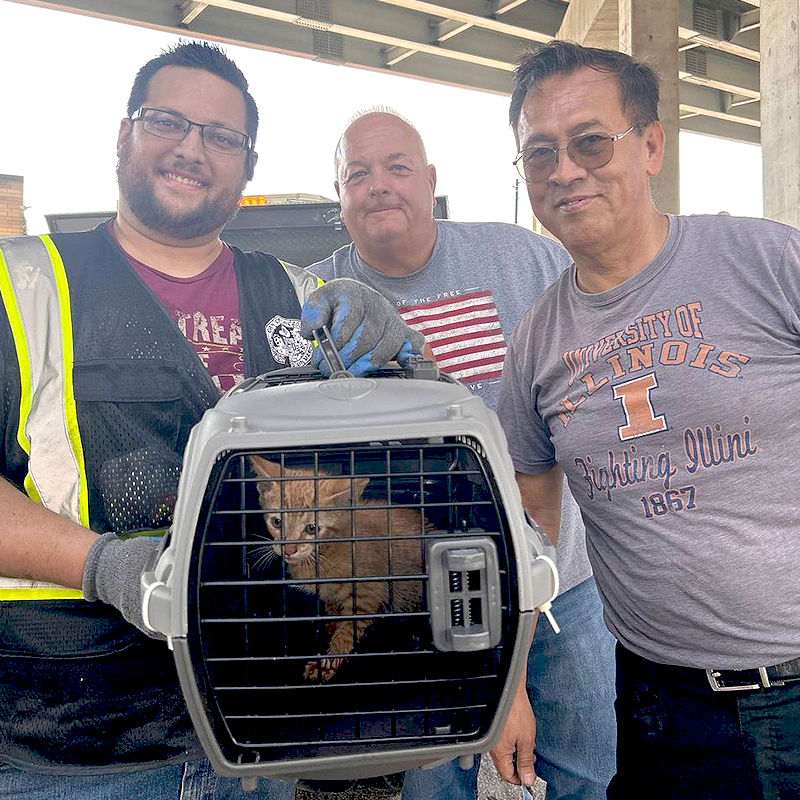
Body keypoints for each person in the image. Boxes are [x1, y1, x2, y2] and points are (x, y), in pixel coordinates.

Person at [0, 41, 422, 799]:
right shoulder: (23, 284)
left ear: (247, 164)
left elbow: (401, 461)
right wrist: (103, 567)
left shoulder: (299, 298)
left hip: (257, 735)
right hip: (77, 742)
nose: (193, 148)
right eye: (168, 121)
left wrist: (400, 360)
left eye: (222, 136)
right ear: (124, 135)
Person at [496, 40, 800, 800]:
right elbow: (530, 529)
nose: (566, 170)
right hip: (664, 714)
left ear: (652, 145)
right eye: (540, 154)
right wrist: (512, 684)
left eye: (591, 141)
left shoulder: (765, 259)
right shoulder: (535, 340)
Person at [308, 108, 617, 800]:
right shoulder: (316, 296)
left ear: (431, 180)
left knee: (588, 775)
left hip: (559, 585)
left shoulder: (522, 258)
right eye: (357, 174)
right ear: (340, 196)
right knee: (430, 789)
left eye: (397, 168)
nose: (379, 186)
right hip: (421, 604)